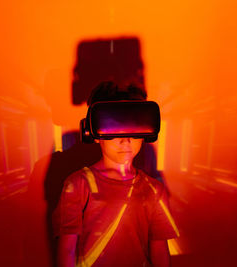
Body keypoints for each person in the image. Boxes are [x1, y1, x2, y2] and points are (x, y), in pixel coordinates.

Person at [52, 81, 179, 267]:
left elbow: (159, 251)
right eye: (113, 128)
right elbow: (67, 250)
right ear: (92, 132)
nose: (125, 140)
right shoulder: (78, 185)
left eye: (133, 128)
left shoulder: (154, 190)